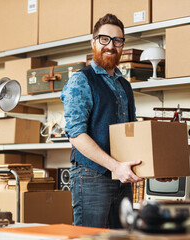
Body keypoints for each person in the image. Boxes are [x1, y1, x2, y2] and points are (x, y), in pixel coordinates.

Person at [60, 13, 143, 229]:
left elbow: (130, 133)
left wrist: (151, 169)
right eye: (104, 39)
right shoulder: (81, 80)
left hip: (122, 177)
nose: (111, 46)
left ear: (123, 45)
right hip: (91, 177)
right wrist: (115, 166)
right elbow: (76, 135)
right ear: (93, 42)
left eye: (117, 40)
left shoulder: (124, 85)